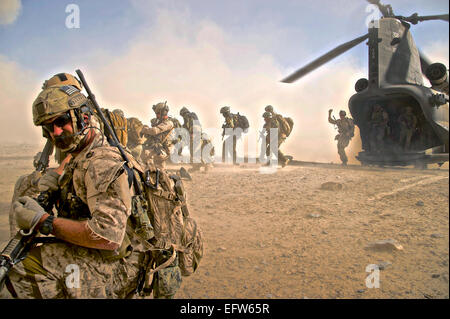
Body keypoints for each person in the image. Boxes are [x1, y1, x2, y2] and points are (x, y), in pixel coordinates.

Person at [7, 85, 156, 298]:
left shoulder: (101, 163)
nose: (55, 132)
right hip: (110, 254)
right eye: (47, 128)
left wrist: (44, 222)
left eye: (61, 122)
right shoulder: (84, 150)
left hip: (120, 267)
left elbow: (107, 236)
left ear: (83, 117)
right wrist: (58, 182)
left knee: (19, 271)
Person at [141, 102, 175, 169]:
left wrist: (144, 129)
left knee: (145, 154)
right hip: (158, 148)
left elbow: (154, 131)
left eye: (158, 113)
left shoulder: (168, 123)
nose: (156, 115)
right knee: (160, 169)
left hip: (164, 150)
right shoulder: (159, 122)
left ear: (163, 113)